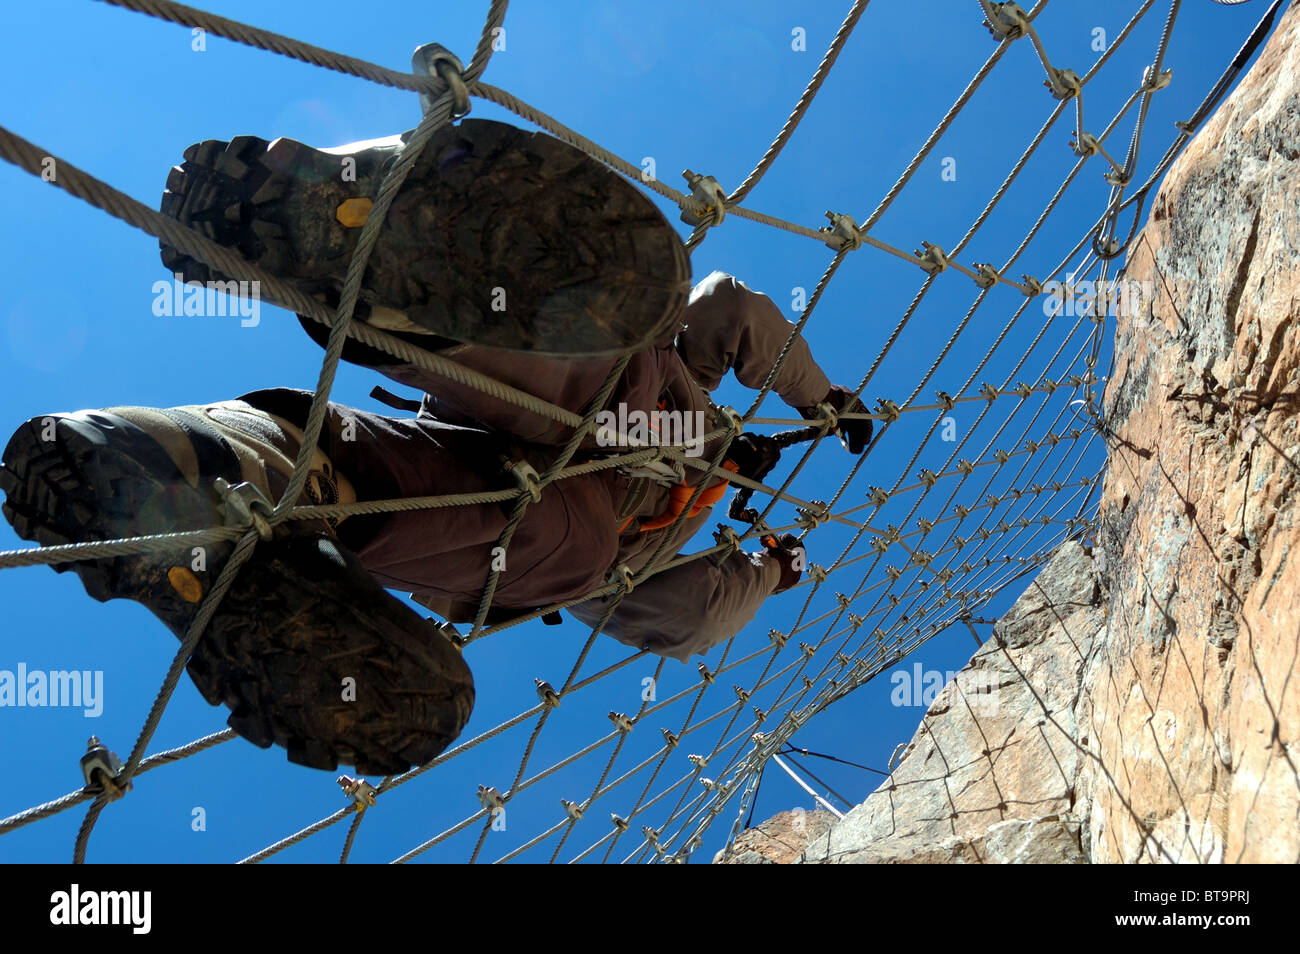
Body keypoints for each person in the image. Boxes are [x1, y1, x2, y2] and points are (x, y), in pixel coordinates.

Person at [0, 119, 871, 774]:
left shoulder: (654, 559)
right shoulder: (698, 399)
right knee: (624, 367)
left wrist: (765, 572)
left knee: (557, 541)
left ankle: (207, 463)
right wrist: (823, 400)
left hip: (552, 506)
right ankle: (364, 246)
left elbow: (687, 618)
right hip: (566, 397)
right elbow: (734, 309)